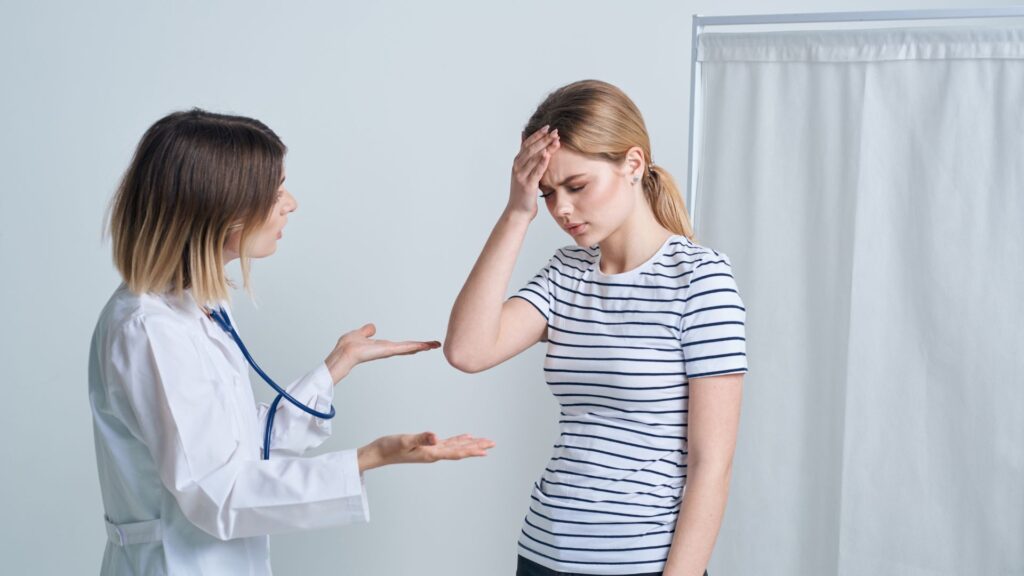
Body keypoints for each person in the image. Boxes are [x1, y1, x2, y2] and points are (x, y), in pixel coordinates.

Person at [89, 109, 494, 575]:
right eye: (275, 191)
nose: (292, 203)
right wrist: (370, 457)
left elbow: (241, 446)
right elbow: (218, 494)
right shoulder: (149, 330)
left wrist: (335, 367)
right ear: (219, 208)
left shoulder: (197, 307)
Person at [445, 80, 746, 576]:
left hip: (642, 562)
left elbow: (712, 465)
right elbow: (467, 350)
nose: (561, 208)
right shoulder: (566, 273)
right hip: (543, 554)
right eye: (547, 193)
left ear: (633, 164)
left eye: (577, 186)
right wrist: (517, 211)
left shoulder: (699, 280)